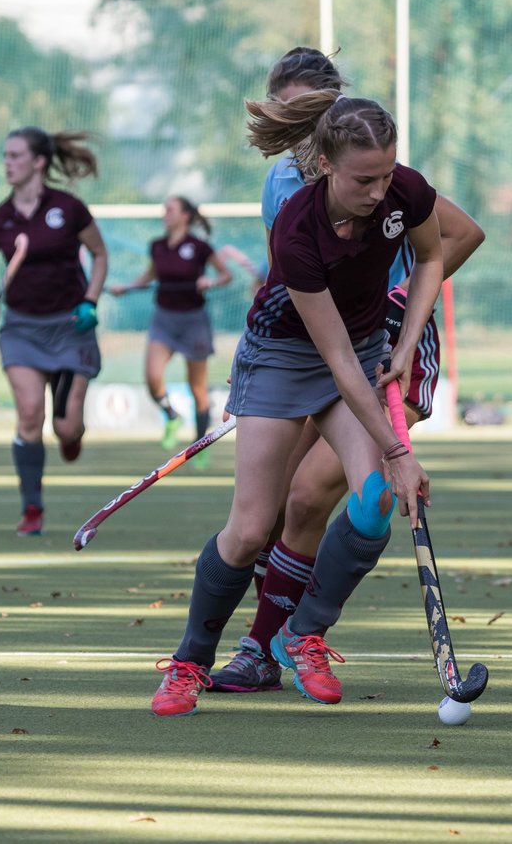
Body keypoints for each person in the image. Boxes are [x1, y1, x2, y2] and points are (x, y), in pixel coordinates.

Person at [151, 89, 444, 717]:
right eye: (364, 179)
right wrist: (397, 449)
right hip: (284, 357)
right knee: (253, 527)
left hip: (362, 347)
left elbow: (432, 255)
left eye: (387, 174)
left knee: (373, 504)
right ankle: (189, 661)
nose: (378, 191)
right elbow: (334, 364)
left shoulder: (405, 193)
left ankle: (302, 632)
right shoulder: (298, 228)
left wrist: (408, 336)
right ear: (327, 167)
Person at [207, 48, 485, 693]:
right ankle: (266, 648)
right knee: (274, 510)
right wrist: (261, 377)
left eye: (317, 109)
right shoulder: (284, 185)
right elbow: (294, 290)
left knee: (313, 496)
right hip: (316, 354)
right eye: (294, 111)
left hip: (388, 354)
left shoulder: (381, 179)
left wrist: (399, 313)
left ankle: (284, 642)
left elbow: (460, 237)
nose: (306, 122)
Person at [0, 126, 108, 536]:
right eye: (5, 156)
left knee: (66, 429)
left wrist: (91, 300)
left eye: (15, 156)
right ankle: (32, 509)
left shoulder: (68, 208)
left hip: (70, 328)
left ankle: (71, 436)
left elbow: (99, 255)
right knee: (30, 414)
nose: (7, 163)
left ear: (39, 162)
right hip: (22, 331)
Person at [108, 197, 233, 463]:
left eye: (170, 210)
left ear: (185, 216)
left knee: (197, 388)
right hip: (164, 320)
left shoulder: (199, 247)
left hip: (194, 321)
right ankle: (171, 416)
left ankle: (200, 446)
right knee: (153, 378)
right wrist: (127, 288)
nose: (165, 214)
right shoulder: (157, 246)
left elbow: (226, 275)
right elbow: (149, 276)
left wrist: (209, 280)